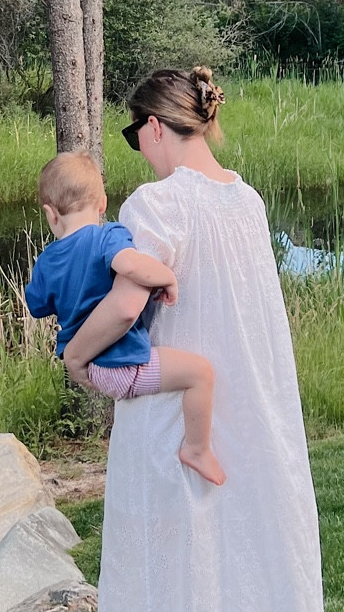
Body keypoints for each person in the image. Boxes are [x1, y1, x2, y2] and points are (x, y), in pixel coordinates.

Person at [49, 66, 331, 612]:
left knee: (139, 553)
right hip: (242, 404)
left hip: (172, 410)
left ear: (154, 127)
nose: (137, 150)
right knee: (220, 543)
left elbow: (121, 305)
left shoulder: (156, 204)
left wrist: (77, 360)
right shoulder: (248, 200)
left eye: (134, 135)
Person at [25, 151, 225, 486]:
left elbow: (37, 306)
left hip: (93, 368)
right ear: (101, 203)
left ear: (50, 214)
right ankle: (196, 449)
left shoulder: (46, 262)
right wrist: (166, 277)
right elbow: (130, 265)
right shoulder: (107, 236)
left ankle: (192, 449)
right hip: (123, 365)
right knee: (200, 374)